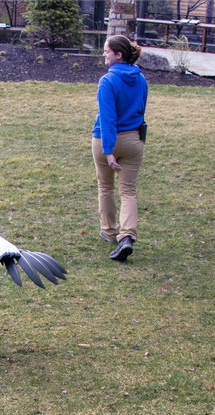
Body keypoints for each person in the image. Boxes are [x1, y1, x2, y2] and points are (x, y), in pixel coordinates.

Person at [92, 35, 148, 262]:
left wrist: (108, 150)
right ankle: (127, 236)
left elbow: (107, 118)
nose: (104, 54)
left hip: (109, 140)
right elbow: (141, 109)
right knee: (128, 191)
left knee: (106, 186)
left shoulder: (107, 81)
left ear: (119, 54)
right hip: (134, 141)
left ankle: (109, 231)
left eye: (107, 51)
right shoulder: (141, 79)